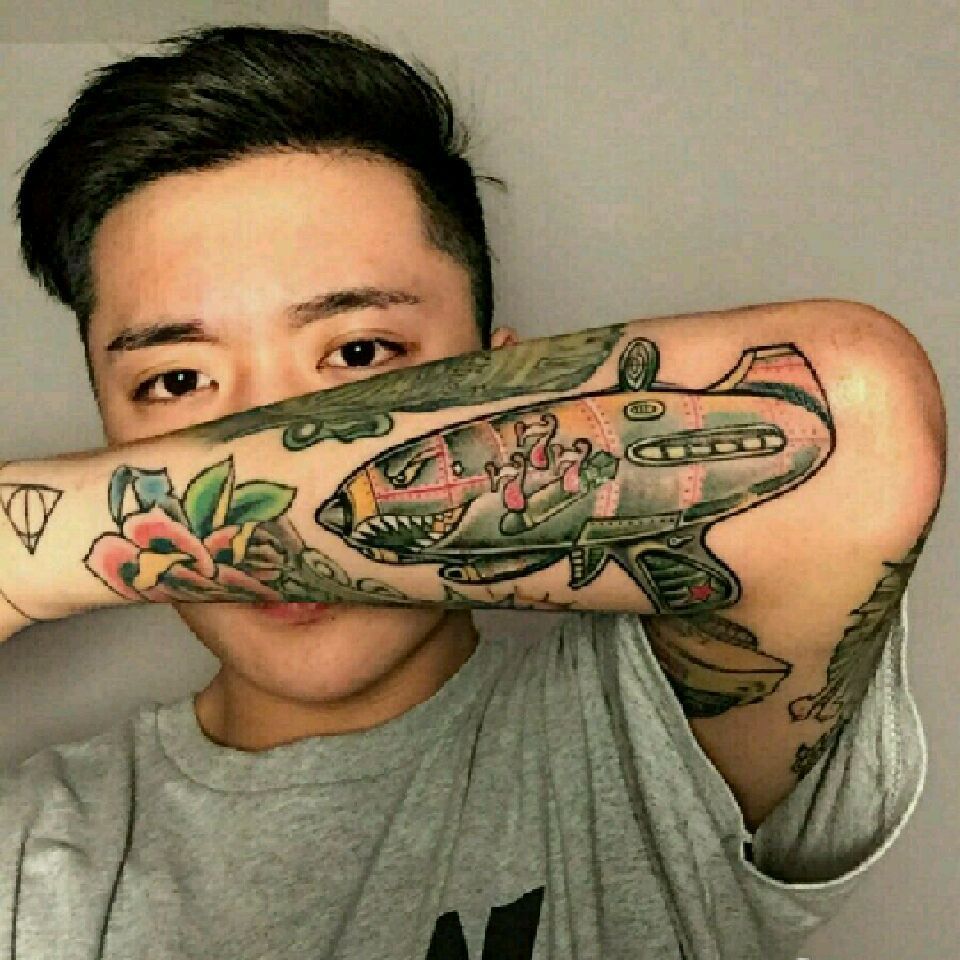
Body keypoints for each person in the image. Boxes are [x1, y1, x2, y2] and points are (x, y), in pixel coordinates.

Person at [0, 25, 945, 960]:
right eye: (176, 381)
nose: (269, 445)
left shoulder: (638, 746)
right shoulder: (38, 852)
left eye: (359, 353)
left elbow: (861, 410)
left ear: (504, 382)